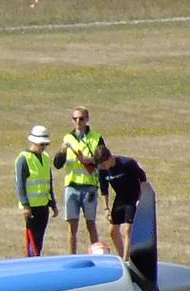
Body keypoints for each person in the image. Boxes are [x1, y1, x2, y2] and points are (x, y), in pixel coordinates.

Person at [53, 107, 106, 253]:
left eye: (81, 118)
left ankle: (97, 254)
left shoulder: (96, 138)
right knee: (72, 225)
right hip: (72, 186)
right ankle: (72, 256)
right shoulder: (67, 138)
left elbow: (104, 160)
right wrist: (62, 152)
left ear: (87, 120)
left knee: (91, 224)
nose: (78, 122)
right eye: (75, 119)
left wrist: (89, 160)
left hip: (89, 186)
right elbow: (57, 164)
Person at [95, 145, 148, 257]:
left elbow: (143, 179)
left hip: (133, 197)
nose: (104, 167)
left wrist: (141, 198)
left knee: (128, 229)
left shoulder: (127, 163)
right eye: (101, 165)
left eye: (104, 164)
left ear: (110, 158)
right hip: (120, 198)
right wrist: (106, 208)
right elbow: (104, 190)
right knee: (113, 231)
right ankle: (121, 256)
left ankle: (126, 259)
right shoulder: (103, 171)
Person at [15, 125, 55, 256]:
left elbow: (49, 181)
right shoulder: (23, 159)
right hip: (32, 207)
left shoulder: (46, 158)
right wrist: (25, 206)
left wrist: (52, 203)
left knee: (39, 240)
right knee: (32, 241)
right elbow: (20, 184)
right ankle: (32, 262)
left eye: (45, 144)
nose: (43, 147)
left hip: (43, 205)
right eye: (41, 144)